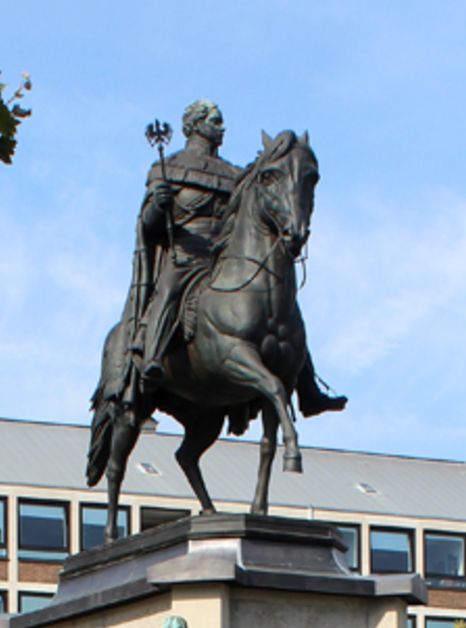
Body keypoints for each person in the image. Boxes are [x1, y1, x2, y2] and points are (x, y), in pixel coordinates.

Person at [115, 99, 345, 415]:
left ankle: (308, 388)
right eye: (213, 119)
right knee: (169, 290)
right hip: (185, 255)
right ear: (194, 125)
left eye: (220, 120)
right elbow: (148, 223)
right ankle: (152, 357)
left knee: (281, 305)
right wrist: (159, 205)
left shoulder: (235, 174)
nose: (221, 126)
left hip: (226, 258)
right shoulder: (169, 166)